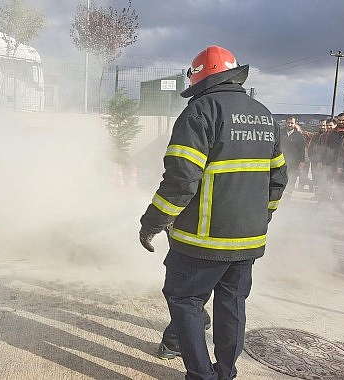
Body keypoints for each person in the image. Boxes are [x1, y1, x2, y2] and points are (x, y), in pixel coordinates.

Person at [138, 45, 287, 380]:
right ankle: (226, 372)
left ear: (200, 78)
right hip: (248, 240)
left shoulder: (200, 112)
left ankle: (201, 375)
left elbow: (180, 180)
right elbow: (279, 179)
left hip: (201, 240)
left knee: (185, 299)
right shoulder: (264, 115)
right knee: (231, 305)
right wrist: (260, 218)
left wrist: (152, 223)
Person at [317, 114, 344, 201]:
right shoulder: (330, 134)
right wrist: (320, 161)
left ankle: (338, 204)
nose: (341, 122)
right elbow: (323, 148)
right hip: (329, 163)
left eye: (343, 120)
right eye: (339, 120)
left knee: (341, 185)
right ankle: (324, 203)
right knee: (326, 184)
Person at [280, 116, 306, 196]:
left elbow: (302, 150)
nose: (290, 124)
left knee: (291, 179)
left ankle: (288, 196)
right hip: (280, 161)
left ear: (295, 124)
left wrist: (302, 162)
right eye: (288, 123)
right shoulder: (280, 133)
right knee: (280, 178)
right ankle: (279, 195)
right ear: (285, 123)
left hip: (294, 162)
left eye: (292, 123)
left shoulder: (299, 136)